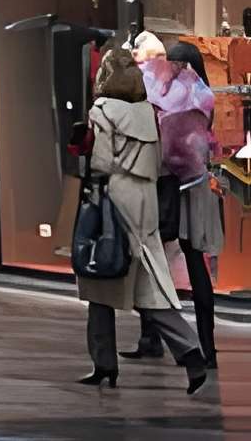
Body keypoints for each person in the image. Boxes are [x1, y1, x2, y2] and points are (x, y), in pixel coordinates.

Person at [75, 46, 209, 394]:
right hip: (145, 199)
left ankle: (104, 364)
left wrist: (85, 152)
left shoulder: (103, 109)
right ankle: (192, 354)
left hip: (116, 198)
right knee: (151, 286)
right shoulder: (147, 111)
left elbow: (102, 162)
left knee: (101, 276)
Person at [127, 40, 222, 370]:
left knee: (157, 263)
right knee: (193, 266)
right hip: (195, 188)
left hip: (173, 187)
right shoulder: (203, 97)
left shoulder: (169, 97)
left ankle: (153, 338)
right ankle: (205, 348)